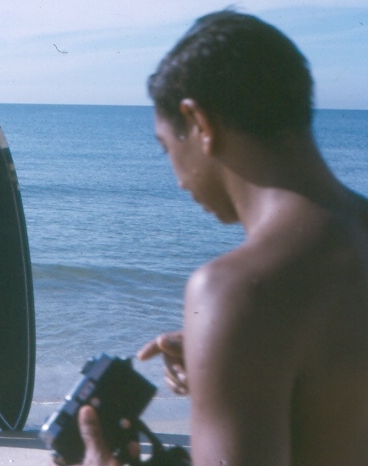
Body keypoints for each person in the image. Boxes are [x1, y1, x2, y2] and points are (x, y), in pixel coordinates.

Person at [77, 10, 368, 466]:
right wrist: (242, 370)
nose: (177, 179)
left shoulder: (235, 292)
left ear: (199, 123)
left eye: (165, 147)